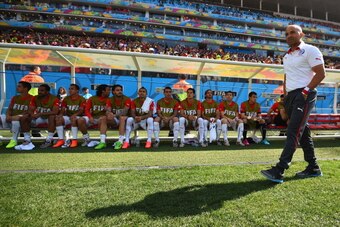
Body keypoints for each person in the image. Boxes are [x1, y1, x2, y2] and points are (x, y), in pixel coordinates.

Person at [261, 24, 325, 183]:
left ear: (301, 34)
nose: (289, 35)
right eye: (287, 33)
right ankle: (313, 167)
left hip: (304, 94)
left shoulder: (310, 50)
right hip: (291, 96)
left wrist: (305, 91)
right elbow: (287, 76)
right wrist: (285, 95)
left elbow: (321, 73)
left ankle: (280, 169)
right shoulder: (287, 56)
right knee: (302, 133)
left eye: (293, 32)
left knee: (293, 130)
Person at [14, 84, 59, 150]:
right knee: (25, 117)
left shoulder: (54, 98)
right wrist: (32, 115)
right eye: (38, 90)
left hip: (49, 118)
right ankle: (27, 140)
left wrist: (40, 113)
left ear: (47, 92)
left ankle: (49, 140)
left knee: (52, 116)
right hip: (39, 118)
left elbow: (55, 112)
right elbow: (30, 109)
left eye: (42, 90)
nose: (39, 92)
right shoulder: (35, 98)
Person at [52, 84, 86, 148]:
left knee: (73, 119)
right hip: (68, 116)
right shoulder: (66, 99)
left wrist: (74, 115)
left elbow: (81, 111)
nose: (70, 90)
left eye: (72, 89)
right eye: (69, 89)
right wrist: (60, 115)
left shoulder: (82, 99)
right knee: (58, 119)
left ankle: (74, 140)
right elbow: (63, 109)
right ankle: (61, 140)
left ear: (77, 90)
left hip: (79, 116)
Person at [3, 82, 34, 148]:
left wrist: (13, 117)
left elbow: (28, 112)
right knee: (1, 117)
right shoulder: (15, 98)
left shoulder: (32, 98)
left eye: (19, 86)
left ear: (25, 89)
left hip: (23, 119)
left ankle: (14, 140)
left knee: (16, 121)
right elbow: (10, 109)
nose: (17, 88)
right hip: (12, 117)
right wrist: (8, 116)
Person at [84, 84, 111, 150]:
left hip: (103, 119)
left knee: (102, 119)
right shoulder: (92, 98)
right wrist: (90, 117)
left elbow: (108, 110)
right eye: (108, 90)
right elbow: (86, 110)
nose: (109, 92)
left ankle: (102, 141)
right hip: (93, 117)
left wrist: (107, 110)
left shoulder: (109, 99)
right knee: (81, 120)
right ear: (103, 91)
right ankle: (87, 139)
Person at [106, 84, 131, 150]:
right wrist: (109, 113)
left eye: (121, 90)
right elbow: (108, 110)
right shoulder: (110, 99)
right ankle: (102, 140)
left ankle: (120, 141)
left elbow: (125, 112)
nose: (120, 91)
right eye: (117, 90)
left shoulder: (127, 99)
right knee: (104, 118)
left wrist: (114, 115)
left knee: (122, 118)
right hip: (115, 120)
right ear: (113, 92)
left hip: (126, 120)